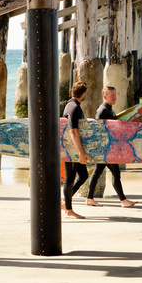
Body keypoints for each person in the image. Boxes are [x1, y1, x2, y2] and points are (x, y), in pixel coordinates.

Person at [86, 86, 137, 208]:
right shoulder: (102, 111)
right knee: (115, 171)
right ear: (105, 97)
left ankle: (89, 198)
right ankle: (123, 201)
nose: (115, 98)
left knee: (97, 172)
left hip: (108, 148)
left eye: (115, 95)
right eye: (112, 96)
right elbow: (99, 131)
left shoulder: (109, 110)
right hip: (106, 149)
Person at [62, 81, 91, 219]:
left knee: (83, 175)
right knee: (70, 178)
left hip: (72, 148)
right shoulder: (74, 107)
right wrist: (80, 152)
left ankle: (65, 202)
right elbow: (73, 131)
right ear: (83, 94)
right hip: (72, 149)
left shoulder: (69, 105)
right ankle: (68, 209)